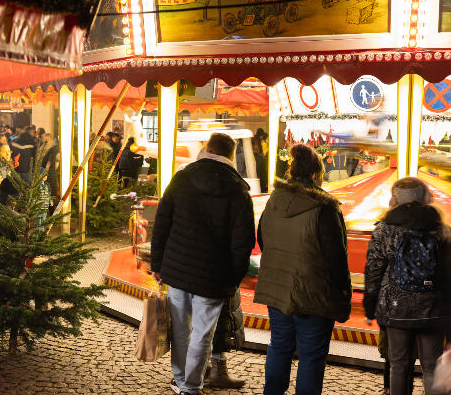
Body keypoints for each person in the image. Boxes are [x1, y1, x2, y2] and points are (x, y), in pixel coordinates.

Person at [151, 133, 256, 395]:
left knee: (181, 331)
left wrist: (158, 263)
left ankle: (181, 378)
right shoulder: (239, 190)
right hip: (213, 277)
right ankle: (191, 387)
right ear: (231, 156)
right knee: (202, 334)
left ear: (207, 149)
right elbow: (243, 242)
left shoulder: (183, 177)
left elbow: (162, 222)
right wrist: (232, 278)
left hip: (177, 269)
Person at [254, 143, 352, 395]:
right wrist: (343, 291)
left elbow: (262, 239)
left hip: (277, 289)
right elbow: (336, 256)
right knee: (311, 356)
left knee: (279, 346)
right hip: (313, 293)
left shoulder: (273, 202)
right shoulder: (324, 208)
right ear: (315, 175)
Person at [364, 177, 451, 395]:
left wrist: (370, 303)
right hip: (433, 307)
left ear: (394, 199)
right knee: (432, 366)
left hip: (395, 307)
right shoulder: (442, 230)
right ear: (425, 198)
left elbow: (374, 270)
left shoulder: (384, 230)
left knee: (399, 365)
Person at [41, 133, 59, 200]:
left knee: (51, 180)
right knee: (47, 180)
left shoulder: (52, 147)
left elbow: (50, 158)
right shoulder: (45, 146)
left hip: (50, 167)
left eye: (43, 138)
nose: (42, 139)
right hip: (45, 166)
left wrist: (47, 167)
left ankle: (53, 195)